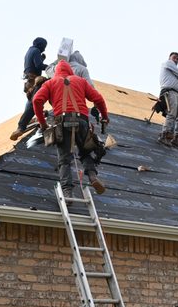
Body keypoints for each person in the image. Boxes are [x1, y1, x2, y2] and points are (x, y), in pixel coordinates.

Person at [32, 60, 109, 199]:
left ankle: (67, 191)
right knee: (86, 151)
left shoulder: (50, 83)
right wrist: (104, 116)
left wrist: (43, 124)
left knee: (64, 159)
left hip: (62, 122)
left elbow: (36, 100)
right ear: (70, 70)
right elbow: (98, 99)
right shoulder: (80, 81)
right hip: (82, 122)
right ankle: (92, 177)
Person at [11, 37, 48, 141]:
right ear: (40, 45)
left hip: (29, 81)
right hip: (33, 80)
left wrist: (41, 58)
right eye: (44, 46)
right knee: (34, 102)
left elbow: (32, 64)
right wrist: (52, 67)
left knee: (31, 102)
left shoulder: (30, 50)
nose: (44, 49)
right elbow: (39, 65)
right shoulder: (36, 50)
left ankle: (32, 118)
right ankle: (21, 127)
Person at [158, 52, 178, 149]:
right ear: (170, 58)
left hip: (177, 94)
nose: (176, 60)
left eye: (177, 59)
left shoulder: (173, 74)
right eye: (174, 57)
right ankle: (164, 135)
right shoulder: (167, 63)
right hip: (170, 92)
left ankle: (176, 138)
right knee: (172, 113)